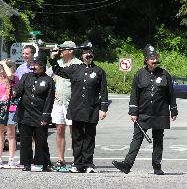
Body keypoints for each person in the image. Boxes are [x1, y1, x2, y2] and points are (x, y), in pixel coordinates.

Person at [112, 44, 178, 175]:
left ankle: (157, 166)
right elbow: (134, 94)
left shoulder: (165, 74)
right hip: (143, 112)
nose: (154, 60)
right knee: (137, 138)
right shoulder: (139, 74)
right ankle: (127, 165)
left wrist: (173, 110)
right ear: (146, 60)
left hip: (160, 112)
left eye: (155, 57)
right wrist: (133, 112)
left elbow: (171, 93)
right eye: (151, 58)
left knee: (158, 139)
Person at [49, 41, 108, 173]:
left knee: (89, 137)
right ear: (81, 56)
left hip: (91, 108)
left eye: (90, 53)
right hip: (76, 108)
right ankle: (78, 164)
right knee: (77, 137)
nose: (89, 55)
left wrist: (103, 108)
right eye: (86, 53)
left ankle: (88, 164)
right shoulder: (75, 69)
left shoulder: (99, 71)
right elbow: (58, 71)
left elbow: (103, 91)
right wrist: (53, 58)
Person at [13, 52, 55, 171]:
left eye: (36, 64)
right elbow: (19, 90)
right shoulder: (26, 76)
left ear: (42, 65)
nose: (33, 66)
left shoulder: (48, 80)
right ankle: (26, 163)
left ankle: (43, 163)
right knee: (25, 141)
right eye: (32, 63)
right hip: (25, 113)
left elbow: (49, 101)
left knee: (41, 140)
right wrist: (14, 93)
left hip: (40, 114)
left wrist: (45, 117)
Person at [46, 41, 82, 168]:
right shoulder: (58, 64)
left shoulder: (78, 64)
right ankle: (60, 159)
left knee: (74, 132)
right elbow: (46, 76)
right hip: (58, 102)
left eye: (63, 49)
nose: (61, 50)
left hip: (72, 102)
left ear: (71, 51)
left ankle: (76, 158)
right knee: (59, 130)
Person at [0, 59, 19, 167]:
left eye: (6, 66)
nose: (3, 68)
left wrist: (3, 63)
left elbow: (10, 75)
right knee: (0, 135)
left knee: (11, 134)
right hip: (0, 107)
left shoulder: (14, 77)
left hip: (11, 107)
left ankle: (11, 159)